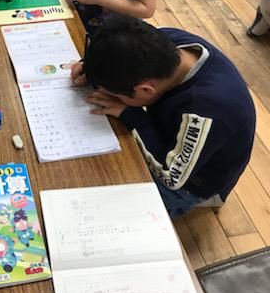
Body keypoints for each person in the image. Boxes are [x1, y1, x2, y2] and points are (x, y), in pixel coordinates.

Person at [71, 14, 255, 217]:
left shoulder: (204, 109)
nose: (111, 97)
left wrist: (130, 115)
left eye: (115, 95)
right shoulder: (167, 42)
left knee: (97, 202)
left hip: (192, 183)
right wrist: (91, 66)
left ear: (145, 90)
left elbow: (171, 176)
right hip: (171, 137)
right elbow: (119, 50)